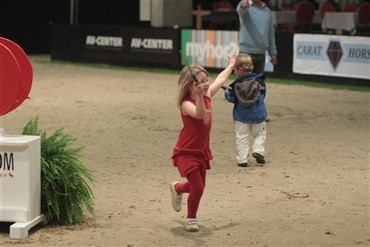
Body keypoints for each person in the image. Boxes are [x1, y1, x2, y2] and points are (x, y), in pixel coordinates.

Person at [170, 55, 237, 232]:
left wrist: (230, 65)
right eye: (200, 81)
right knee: (198, 187)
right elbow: (199, 114)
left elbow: (221, 78)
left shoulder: (206, 94)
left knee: (196, 186)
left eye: (206, 80)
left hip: (201, 150)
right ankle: (191, 218)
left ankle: (177, 188)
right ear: (189, 85)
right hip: (186, 150)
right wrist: (200, 97)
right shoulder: (185, 103)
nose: (205, 84)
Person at [224, 54, 267, 168]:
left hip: (241, 116)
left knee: (241, 137)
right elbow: (263, 96)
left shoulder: (236, 85)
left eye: (234, 70)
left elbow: (232, 98)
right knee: (260, 133)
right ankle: (258, 150)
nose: (233, 72)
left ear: (239, 69)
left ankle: (242, 159)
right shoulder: (260, 82)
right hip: (258, 115)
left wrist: (227, 93)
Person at [236, 0, 277, 121]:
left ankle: (260, 112)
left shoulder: (267, 11)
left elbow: (270, 33)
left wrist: (272, 52)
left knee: (259, 85)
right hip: (246, 52)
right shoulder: (246, 7)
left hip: (261, 53)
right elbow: (240, 10)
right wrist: (242, 6)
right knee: (244, 84)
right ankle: (241, 113)